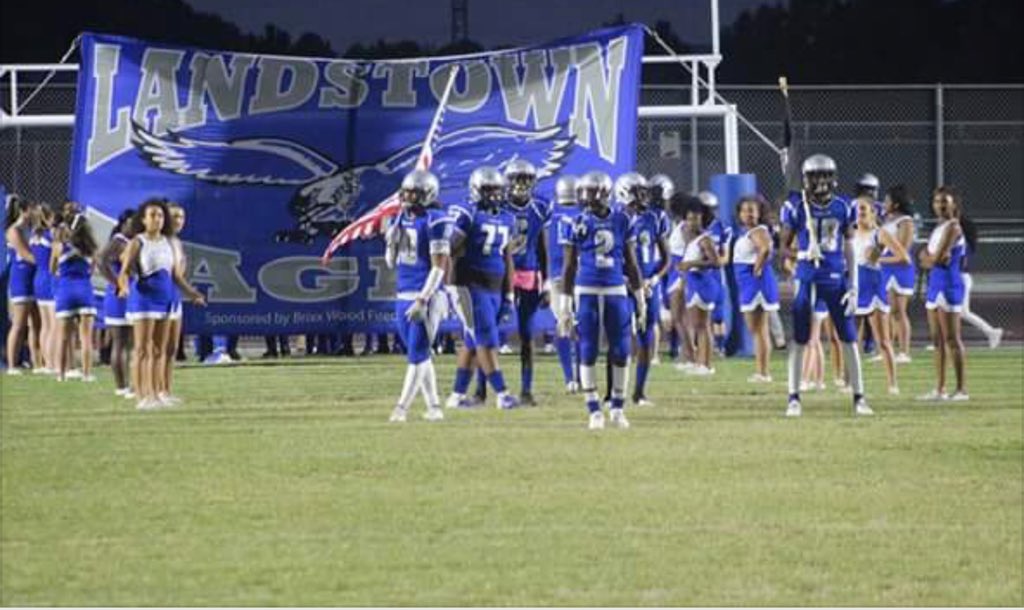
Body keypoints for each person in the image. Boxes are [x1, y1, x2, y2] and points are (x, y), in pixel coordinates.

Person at [781, 154, 873, 417]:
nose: (820, 181)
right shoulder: (795, 206)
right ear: (807, 179)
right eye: (815, 176)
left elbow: (849, 247)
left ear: (832, 177)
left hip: (835, 278)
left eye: (824, 175)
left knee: (848, 338)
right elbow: (782, 250)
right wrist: (801, 253)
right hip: (807, 277)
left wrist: (854, 286)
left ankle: (859, 397)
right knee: (800, 338)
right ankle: (793, 397)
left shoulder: (844, 206)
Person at [559, 171, 645, 430]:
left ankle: (617, 407)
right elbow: (569, 266)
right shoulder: (573, 222)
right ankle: (594, 409)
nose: (586, 198)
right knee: (588, 349)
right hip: (586, 289)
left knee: (621, 349)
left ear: (605, 193)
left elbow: (631, 262)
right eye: (583, 192)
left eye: (591, 192)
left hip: (615, 289)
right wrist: (564, 305)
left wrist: (639, 298)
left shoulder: (622, 219)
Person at [118, 199, 205, 410]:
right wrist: (124, 287)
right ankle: (143, 396)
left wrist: (193, 294)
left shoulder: (169, 242)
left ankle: (159, 393)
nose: (157, 219)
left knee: (160, 350)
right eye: (153, 215)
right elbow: (124, 271)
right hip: (144, 299)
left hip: (165, 299)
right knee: (142, 350)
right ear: (144, 219)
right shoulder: (137, 242)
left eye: (160, 215)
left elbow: (176, 275)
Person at [445, 167, 519, 410]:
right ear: (476, 190)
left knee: (472, 340)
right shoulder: (468, 214)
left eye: (498, 190)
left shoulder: (508, 218)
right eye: (489, 190)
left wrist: (509, 293)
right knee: (486, 340)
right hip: (470, 284)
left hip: (494, 287)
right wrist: (449, 283)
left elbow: (508, 257)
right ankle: (502, 393)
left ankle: (456, 396)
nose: (495, 195)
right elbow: (449, 249)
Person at [384, 169, 449, 423]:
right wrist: (390, 242)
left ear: (427, 194)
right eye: (407, 191)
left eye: (415, 192)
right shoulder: (398, 219)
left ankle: (402, 408)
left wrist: (424, 298)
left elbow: (439, 266)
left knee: (417, 354)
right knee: (419, 354)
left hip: (426, 294)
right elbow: (391, 263)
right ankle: (434, 407)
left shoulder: (436, 220)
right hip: (403, 292)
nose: (409, 197)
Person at [617, 173, 669, 405]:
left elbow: (667, 257)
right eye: (638, 191)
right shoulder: (615, 219)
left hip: (648, 286)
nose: (644, 196)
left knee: (647, 337)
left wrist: (655, 278)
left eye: (644, 191)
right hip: (624, 284)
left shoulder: (655, 218)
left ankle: (639, 392)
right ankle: (614, 392)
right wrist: (625, 280)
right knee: (622, 337)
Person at [503, 160, 550, 405]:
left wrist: (548, 283)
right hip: (500, 275)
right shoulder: (499, 206)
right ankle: (481, 388)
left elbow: (542, 249)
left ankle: (526, 389)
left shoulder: (540, 208)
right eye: (517, 179)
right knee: (488, 334)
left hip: (529, 273)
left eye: (525, 179)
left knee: (527, 334)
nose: (521, 185)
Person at [851, 196, 909, 395]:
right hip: (855, 288)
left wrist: (879, 257)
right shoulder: (849, 233)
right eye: (857, 209)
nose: (859, 212)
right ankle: (852, 383)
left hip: (874, 287)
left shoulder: (879, 234)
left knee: (882, 340)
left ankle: (893, 384)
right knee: (851, 339)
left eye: (863, 209)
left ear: (873, 212)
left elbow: (903, 257)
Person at [918, 186, 969, 401]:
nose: (940, 205)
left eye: (944, 201)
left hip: (949, 285)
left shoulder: (954, 228)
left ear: (954, 204)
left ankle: (961, 390)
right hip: (934, 285)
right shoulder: (939, 227)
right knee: (937, 339)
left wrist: (927, 258)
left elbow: (936, 259)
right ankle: (940, 389)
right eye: (937, 201)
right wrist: (928, 258)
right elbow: (928, 257)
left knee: (952, 339)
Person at [732, 195, 780, 382]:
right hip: (749, 281)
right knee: (757, 329)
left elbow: (765, 249)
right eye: (744, 210)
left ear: (760, 213)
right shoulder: (749, 231)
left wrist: (757, 268)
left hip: (755, 283)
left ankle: (763, 372)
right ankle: (761, 371)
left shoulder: (758, 231)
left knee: (759, 329)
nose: (748, 214)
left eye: (752, 210)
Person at [51, 213, 99, 382]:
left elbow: (52, 269)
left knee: (63, 337)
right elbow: (92, 271)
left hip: (65, 291)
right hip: (85, 291)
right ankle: (86, 374)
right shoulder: (91, 248)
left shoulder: (59, 246)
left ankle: (61, 374)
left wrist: (64, 273)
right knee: (86, 337)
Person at [545, 175, 581, 393]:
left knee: (563, 325)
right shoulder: (584, 215)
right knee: (581, 327)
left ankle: (570, 378)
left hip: (557, 277)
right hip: (581, 276)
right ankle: (579, 375)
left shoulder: (549, 215)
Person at [678, 197, 721, 376]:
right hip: (693, 282)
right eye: (689, 219)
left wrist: (691, 264)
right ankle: (699, 362)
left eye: (695, 218)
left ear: (703, 218)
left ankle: (706, 365)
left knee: (703, 326)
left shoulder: (705, 239)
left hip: (703, 283)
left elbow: (716, 262)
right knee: (697, 325)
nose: (691, 222)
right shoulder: (691, 238)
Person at [99, 209, 136, 397]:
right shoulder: (118, 241)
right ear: (123, 223)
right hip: (118, 297)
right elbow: (101, 261)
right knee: (120, 342)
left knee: (128, 343)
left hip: (129, 296)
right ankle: (121, 386)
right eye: (131, 222)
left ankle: (127, 384)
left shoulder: (130, 242)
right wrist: (117, 283)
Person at [880, 185, 917, 362]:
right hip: (885, 269)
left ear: (895, 203)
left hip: (900, 270)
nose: (884, 203)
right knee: (885, 311)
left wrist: (879, 260)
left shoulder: (906, 222)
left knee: (898, 311)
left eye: (887, 200)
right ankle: (887, 350)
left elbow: (903, 252)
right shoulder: (886, 220)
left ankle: (904, 352)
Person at [5, 195, 40, 375]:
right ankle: (12, 365)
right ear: (24, 211)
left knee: (37, 323)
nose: (35, 213)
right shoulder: (14, 230)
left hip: (34, 277)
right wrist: (47, 263)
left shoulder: (32, 229)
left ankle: (37, 363)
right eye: (32, 209)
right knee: (19, 324)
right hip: (20, 278)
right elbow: (26, 254)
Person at [958, 213, 1003, 349]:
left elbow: (960, 264)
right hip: (959, 278)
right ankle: (942, 340)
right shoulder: (962, 244)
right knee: (949, 310)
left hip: (960, 278)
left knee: (961, 312)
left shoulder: (964, 245)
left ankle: (991, 331)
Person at [697, 191, 730, 356]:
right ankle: (696, 345)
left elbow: (725, 256)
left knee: (718, 313)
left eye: (711, 209)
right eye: (705, 209)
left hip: (715, 273)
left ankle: (720, 346)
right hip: (697, 273)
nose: (708, 213)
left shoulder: (721, 227)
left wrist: (715, 262)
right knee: (697, 311)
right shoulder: (692, 226)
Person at [29, 202, 58, 374]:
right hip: (49, 278)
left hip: (38, 278)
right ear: (48, 217)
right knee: (53, 325)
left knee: (45, 325)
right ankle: (52, 363)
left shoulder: (33, 235)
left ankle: (46, 363)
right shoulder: (49, 236)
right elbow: (54, 259)